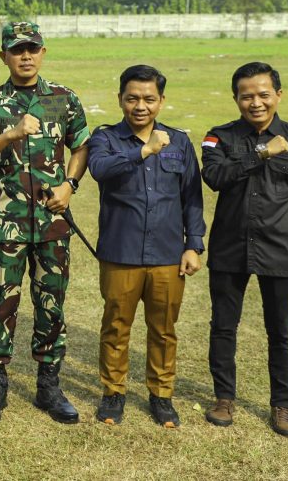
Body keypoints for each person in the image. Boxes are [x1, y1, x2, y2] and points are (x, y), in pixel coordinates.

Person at [0, 21, 89, 425]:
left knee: (51, 302)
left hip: (52, 224)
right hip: (7, 225)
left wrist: (70, 185)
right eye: (17, 50)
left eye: (32, 48)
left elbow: (82, 145)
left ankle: (48, 385)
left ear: (43, 52)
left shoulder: (62, 99)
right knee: (1, 302)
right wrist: (11, 134)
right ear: (3, 55)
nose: (26, 56)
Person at [201, 61, 288, 437]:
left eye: (263, 94)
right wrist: (261, 152)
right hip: (229, 247)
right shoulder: (219, 137)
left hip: (281, 247)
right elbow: (214, 177)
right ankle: (224, 398)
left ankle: (283, 406)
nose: (255, 102)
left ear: (278, 95)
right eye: (246, 96)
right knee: (223, 326)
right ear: (236, 98)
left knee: (281, 330)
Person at [87, 64, 205, 428]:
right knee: (116, 326)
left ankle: (161, 395)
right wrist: (144, 151)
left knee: (164, 328)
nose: (141, 106)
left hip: (169, 254)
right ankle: (113, 393)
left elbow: (192, 197)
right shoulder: (106, 138)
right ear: (120, 99)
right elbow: (99, 169)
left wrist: (194, 245)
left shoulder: (179, 141)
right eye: (132, 98)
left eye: (149, 99)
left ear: (161, 100)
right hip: (120, 253)